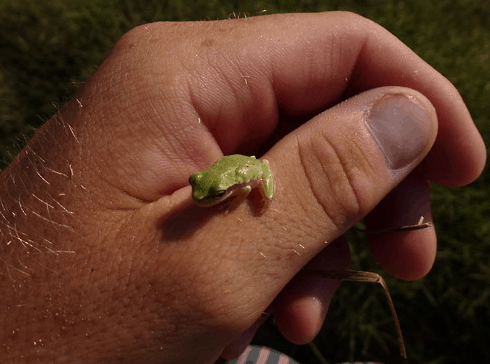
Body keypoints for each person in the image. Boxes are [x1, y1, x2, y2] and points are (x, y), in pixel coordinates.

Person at [0, 12, 485, 364]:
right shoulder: (206, 185)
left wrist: (280, 190)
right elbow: (210, 182)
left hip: (247, 170)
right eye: (199, 190)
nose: (199, 196)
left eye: (206, 193)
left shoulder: (236, 179)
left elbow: (256, 171)